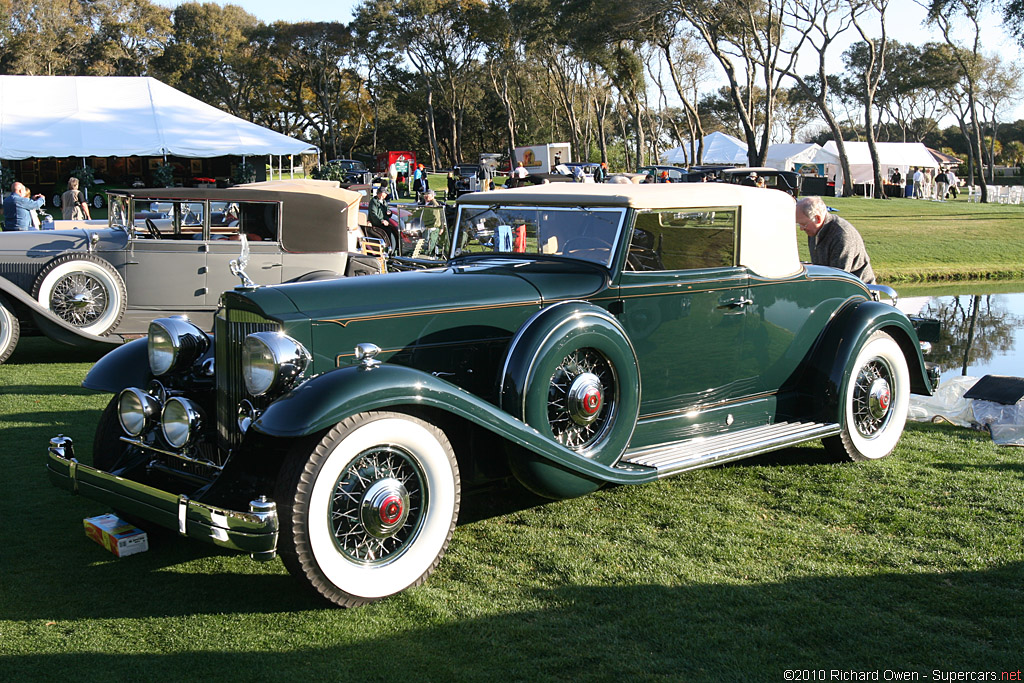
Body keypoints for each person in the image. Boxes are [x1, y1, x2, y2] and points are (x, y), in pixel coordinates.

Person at [795, 196, 876, 284]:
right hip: (834, 286)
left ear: (817, 219)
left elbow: (839, 278)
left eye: (803, 224)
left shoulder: (842, 235)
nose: (801, 229)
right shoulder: (814, 230)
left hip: (859, 292)